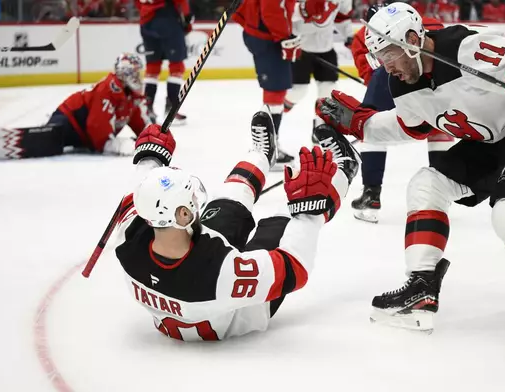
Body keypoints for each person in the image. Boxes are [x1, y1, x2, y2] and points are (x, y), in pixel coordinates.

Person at [316, 2, 505, 358]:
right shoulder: (403, 85)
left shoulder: (465, 47)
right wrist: (361, 125)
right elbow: (408, 126)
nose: (388, 68)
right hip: (493, 141)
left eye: (391, 55)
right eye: (380, 59)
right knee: (425, 185)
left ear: (414, 39)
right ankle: (421, 288)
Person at [112, 108, 359, 341]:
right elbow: (295, 269)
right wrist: (308, 209)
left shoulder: (130, 238)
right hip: (239, 312)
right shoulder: (222, 272)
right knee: (292, 215)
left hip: (193, 281)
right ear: (183, 216)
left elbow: (141, 192)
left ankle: (261, 154)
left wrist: (150, 157)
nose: (196, 201)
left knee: (228, 204)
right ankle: (345, 168)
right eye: (190, 201)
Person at [349, 4, 454, 223]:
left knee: (371, 129)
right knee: (438, 126)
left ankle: (371, 195)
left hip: (387, 82)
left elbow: (369, 73)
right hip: (430, 80)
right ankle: (442, 188)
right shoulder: (419, 22)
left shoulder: (363, 36)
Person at [0, 53, 151, 161]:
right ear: (121, 73)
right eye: (130, 72)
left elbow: (139, 123)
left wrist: (152, 134)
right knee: (47, 141)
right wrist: (115, 145)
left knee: (52, 143)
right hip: (68, 121)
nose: (135, 76)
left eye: (136, 72)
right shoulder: (109, 88)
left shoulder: (131, 96)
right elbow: (97, 126)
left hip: (83, 135)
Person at [232, 0, 301, 165]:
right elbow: (271, 9)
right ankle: (268, 150)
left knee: (277, 92)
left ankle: (270, 146)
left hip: (265, 33)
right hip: (268, 37)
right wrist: (284, 36)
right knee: (275, 93)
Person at [283, 0, 353, 143]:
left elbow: (341, 17)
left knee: (328, 91)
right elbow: (286, 11)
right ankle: (276, 110)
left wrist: (349, 36)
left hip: (326, 48)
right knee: (298, 91)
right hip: (300, 47)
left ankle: (320, 129)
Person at [136, 0, 191, 125]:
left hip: (146, 22)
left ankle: (147, 109)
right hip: (168, 19)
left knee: (152, 67)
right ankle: (171, 109)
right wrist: (187, 18)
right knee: (177, 66)